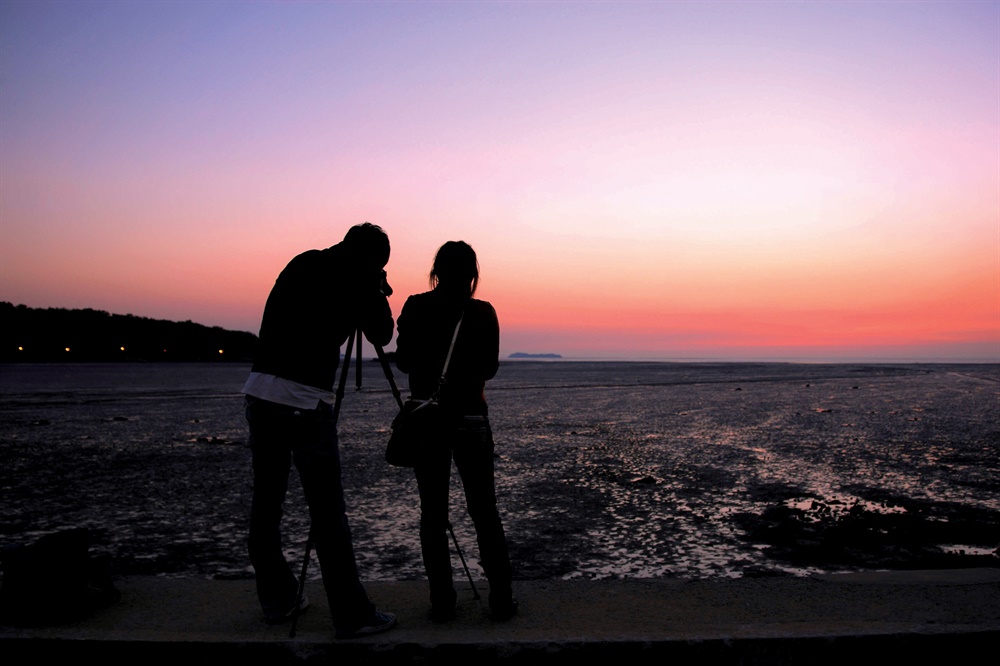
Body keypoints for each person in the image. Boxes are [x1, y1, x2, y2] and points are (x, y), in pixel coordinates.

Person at [242, 223, 397, 638]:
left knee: (266, 504)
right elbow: (382, 333)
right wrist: (375, 286)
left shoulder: (303, 262)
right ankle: (352, 614)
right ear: (373, 259)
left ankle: (278, 600)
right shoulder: (357, 277)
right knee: (328, 515)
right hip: (305, 402)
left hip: (259, 394)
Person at [394, 241, 517, 621]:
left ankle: (442, 603)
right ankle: (500, 599)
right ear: (473, 275)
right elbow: (490, 368)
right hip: (472, 419)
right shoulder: (483, 312)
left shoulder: (415, 306)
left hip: (428, 421)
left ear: (436, 272)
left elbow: (404, 361)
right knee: (484, 511)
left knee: (433, 513)